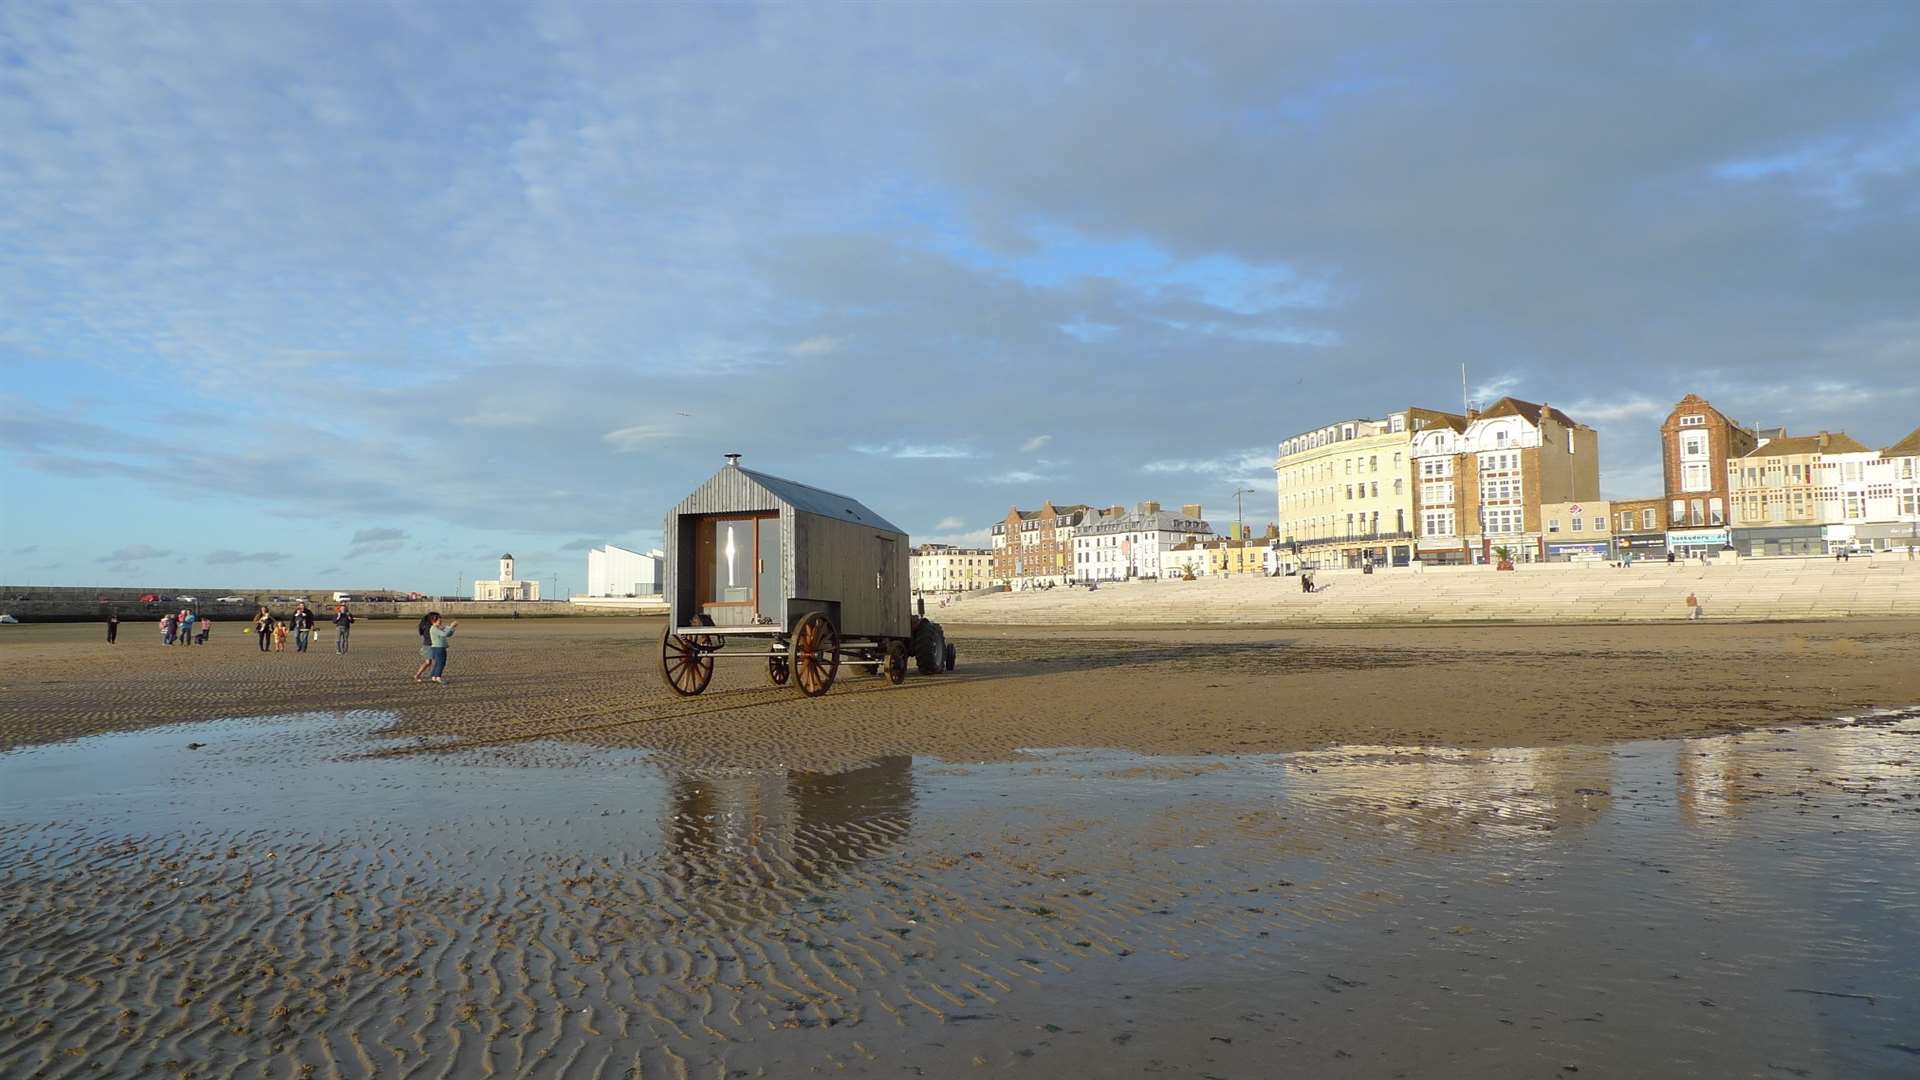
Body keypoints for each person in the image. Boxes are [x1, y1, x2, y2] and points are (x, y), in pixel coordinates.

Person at [425, 611, 458, 683]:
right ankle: (438, 677)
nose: (441, 621)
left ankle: (434, 676)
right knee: (441, 663)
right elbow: (445, 634)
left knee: (438, 662)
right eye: (439, 620)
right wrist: (451, 626)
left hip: (439, 647)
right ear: (434, 620)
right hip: (438, 648)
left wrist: (452, 628)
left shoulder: (438, 628)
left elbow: (448, 634)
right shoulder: (434, 628)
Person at [413, 613, 436, 682]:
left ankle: (434, 676)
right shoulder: (429, 626)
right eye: (435, 618)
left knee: (431, 662)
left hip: (429, 644)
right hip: (429, 645)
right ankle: (417, 675)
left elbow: (421, 634)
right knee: (428, 662)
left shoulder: (425, 626)